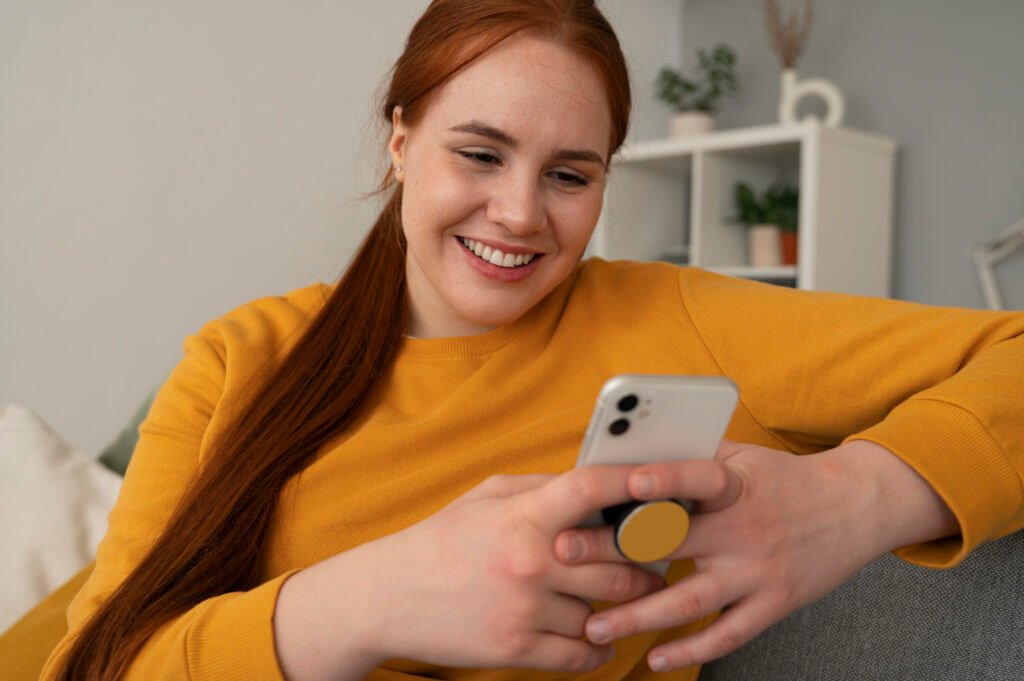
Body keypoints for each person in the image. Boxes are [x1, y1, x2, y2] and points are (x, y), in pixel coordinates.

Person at [44, 1, 1024, 680]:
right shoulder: (238, 356)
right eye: (480, 153)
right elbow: (93, 664)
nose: (519, 213)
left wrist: (850, 498)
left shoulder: (676, 319)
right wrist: (372, 599)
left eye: (569, 175)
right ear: (400, 143)